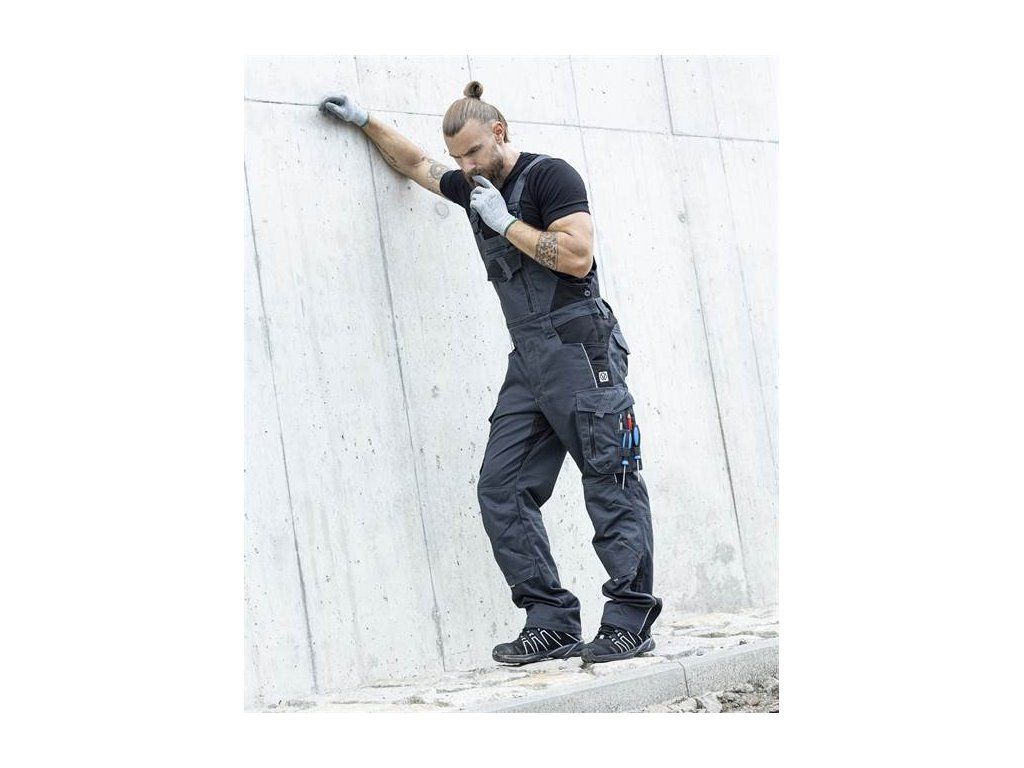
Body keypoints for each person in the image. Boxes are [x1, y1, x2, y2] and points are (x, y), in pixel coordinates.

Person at [320, 81, 662, 665]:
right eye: (458, 157)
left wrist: (505, 224)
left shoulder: (551, 177)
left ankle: (630, 620)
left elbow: (576, 256)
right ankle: (550, 619)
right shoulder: (471, 183)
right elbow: (416, 165)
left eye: (474, 152)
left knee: (612, 477)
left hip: (581, 348)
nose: (466, 167)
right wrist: (365, 120)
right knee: (501, 487)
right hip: (528, 359)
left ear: (499, 132)